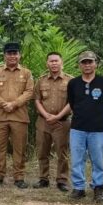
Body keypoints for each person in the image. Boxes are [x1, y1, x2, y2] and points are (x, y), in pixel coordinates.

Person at [66, 51, 103, 202]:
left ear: (96, 64)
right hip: (78, 127)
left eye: (90, 62)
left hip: (98, 128)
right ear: (79, 65)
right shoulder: (73, 83)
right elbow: (72, 103)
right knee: (77, 159)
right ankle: (79, 188)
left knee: (98, 159)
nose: (87, 65)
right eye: (84, 62)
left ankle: (98, 188)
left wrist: (97, 115)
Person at [0, 42, 35, 188]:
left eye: (15, 53)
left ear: (19, 55)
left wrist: (14, 104)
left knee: (19, 147)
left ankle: (19, 177)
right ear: (5, 55)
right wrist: (3, 104)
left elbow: (29, 92)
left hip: (19, 116)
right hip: (1, 116)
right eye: (9, 53)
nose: (12, 56)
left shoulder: (26, 73)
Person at [33, 52, 73, 192]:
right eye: (51, 61)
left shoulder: (70, 81)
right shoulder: (41, 81)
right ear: (47, 63)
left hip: (62, 122)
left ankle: (62, 180)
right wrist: (46, 115)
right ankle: (43, 178)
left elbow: (72, 102)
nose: (54, 63)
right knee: (42, 151)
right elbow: (37, 100)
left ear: (62, 63)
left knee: (62, 152)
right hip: (44, 121)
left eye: (56, 61)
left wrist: (58, 116)